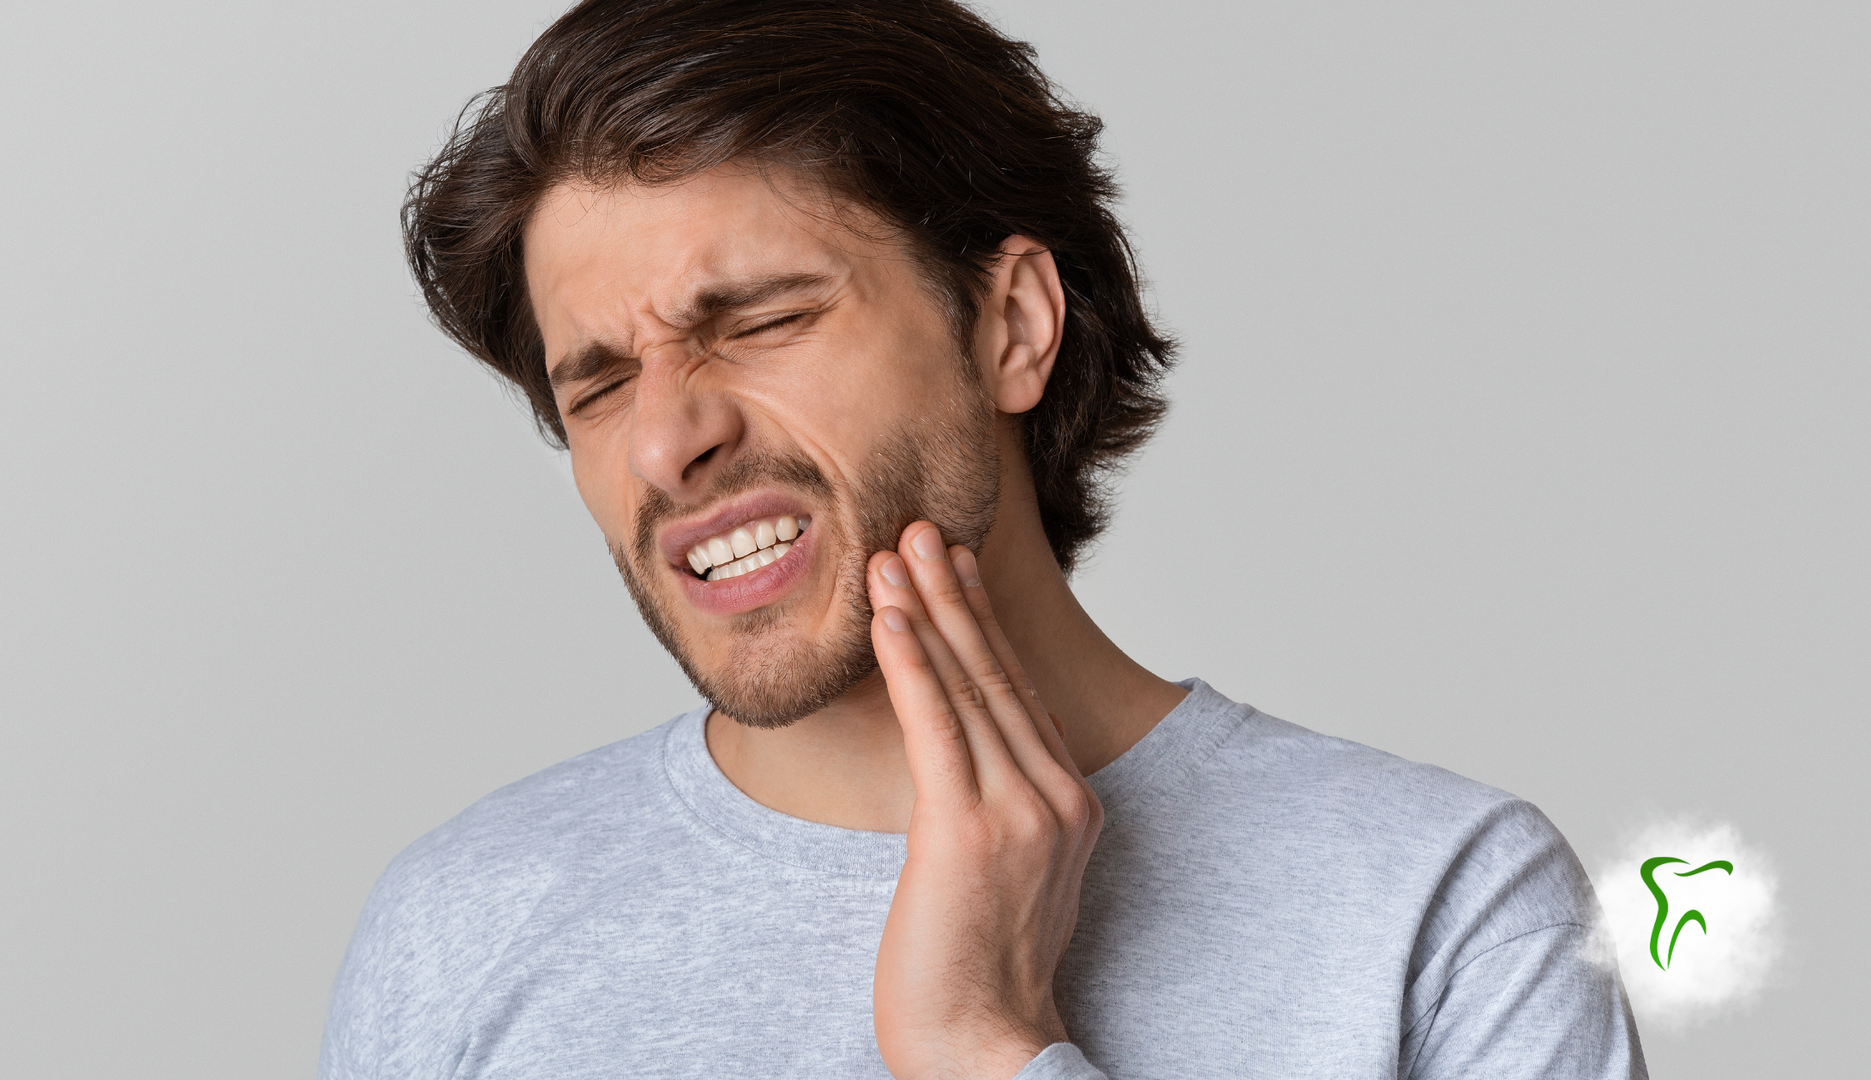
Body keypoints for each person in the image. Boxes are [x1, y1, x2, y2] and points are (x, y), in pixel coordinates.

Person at [321, 1, 1645, 1077]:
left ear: (1009, 325)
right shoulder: (462, 927)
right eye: (599, 385)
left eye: (764, 320)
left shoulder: (1440, 910)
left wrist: (986, 1050)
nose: (667, 444)